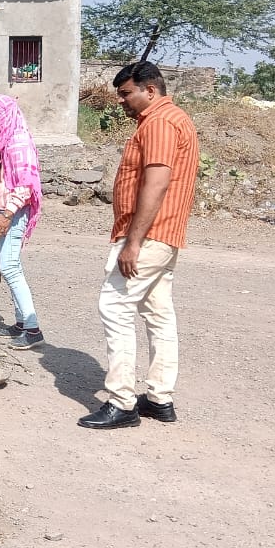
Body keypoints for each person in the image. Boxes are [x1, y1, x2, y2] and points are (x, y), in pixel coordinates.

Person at [79, 61, 199, 431]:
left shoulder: (161, 122)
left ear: (151, 89)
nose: (122, 101)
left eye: (126, 93)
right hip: (164, 235)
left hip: (148, 236)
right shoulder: (173, 119)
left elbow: (157, 182)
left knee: (114, 305)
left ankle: (121, 403)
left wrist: (133, 241)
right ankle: (160, 398)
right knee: (158, 313)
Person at [0, 95, 44, 348]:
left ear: (6, 115)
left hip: (13, 213)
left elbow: (25, 187)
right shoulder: (2, 138)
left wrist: (7, 215)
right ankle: (20, 322)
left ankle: (32, 330)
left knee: (9, 268)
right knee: (12, 266)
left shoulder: (18, 144)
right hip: (1, 211)